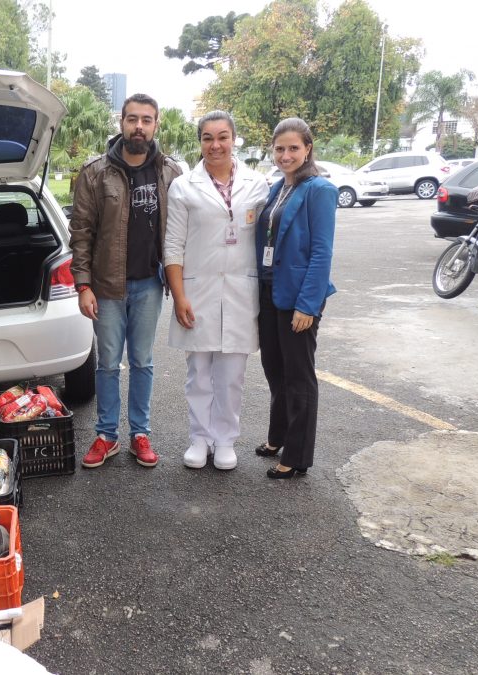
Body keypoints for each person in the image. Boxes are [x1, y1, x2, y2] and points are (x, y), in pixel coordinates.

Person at [69, 93, 183, 469]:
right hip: (106, 287)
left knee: (143, 362)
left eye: (146, 120)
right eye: (132, 119)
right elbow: (81, 233)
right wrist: (83, 286)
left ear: (156, 124)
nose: (139, 126)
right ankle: (106, 436)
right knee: (106, 365)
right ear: (121, 122)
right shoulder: (95, 171)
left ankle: (140, 434)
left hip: (150, 284)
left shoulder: (170, 172)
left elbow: (184, 231)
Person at [163, 111, 270, 470]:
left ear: (234, 139)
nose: (216, 145)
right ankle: (199, 438)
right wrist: (179, 296)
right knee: (199, 372)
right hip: (197, 289)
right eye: (208, 138)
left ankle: (225, 440)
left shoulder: (257, 185)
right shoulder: (183, 186)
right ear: (200, 143)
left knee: (231, 375)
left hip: (241, 289)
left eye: (223, 137)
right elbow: (173, 245)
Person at [253, 117, 337, 479]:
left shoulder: (319, 190)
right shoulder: (277, 188)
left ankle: (297, 455)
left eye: (293, 148)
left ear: (308, 149)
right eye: (280, 148)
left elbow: (322, 252)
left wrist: (308, 304)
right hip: (270, 290)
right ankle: (278, 436)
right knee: (275, 369)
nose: (286, 155)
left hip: (298, 296)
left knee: (299, 376)